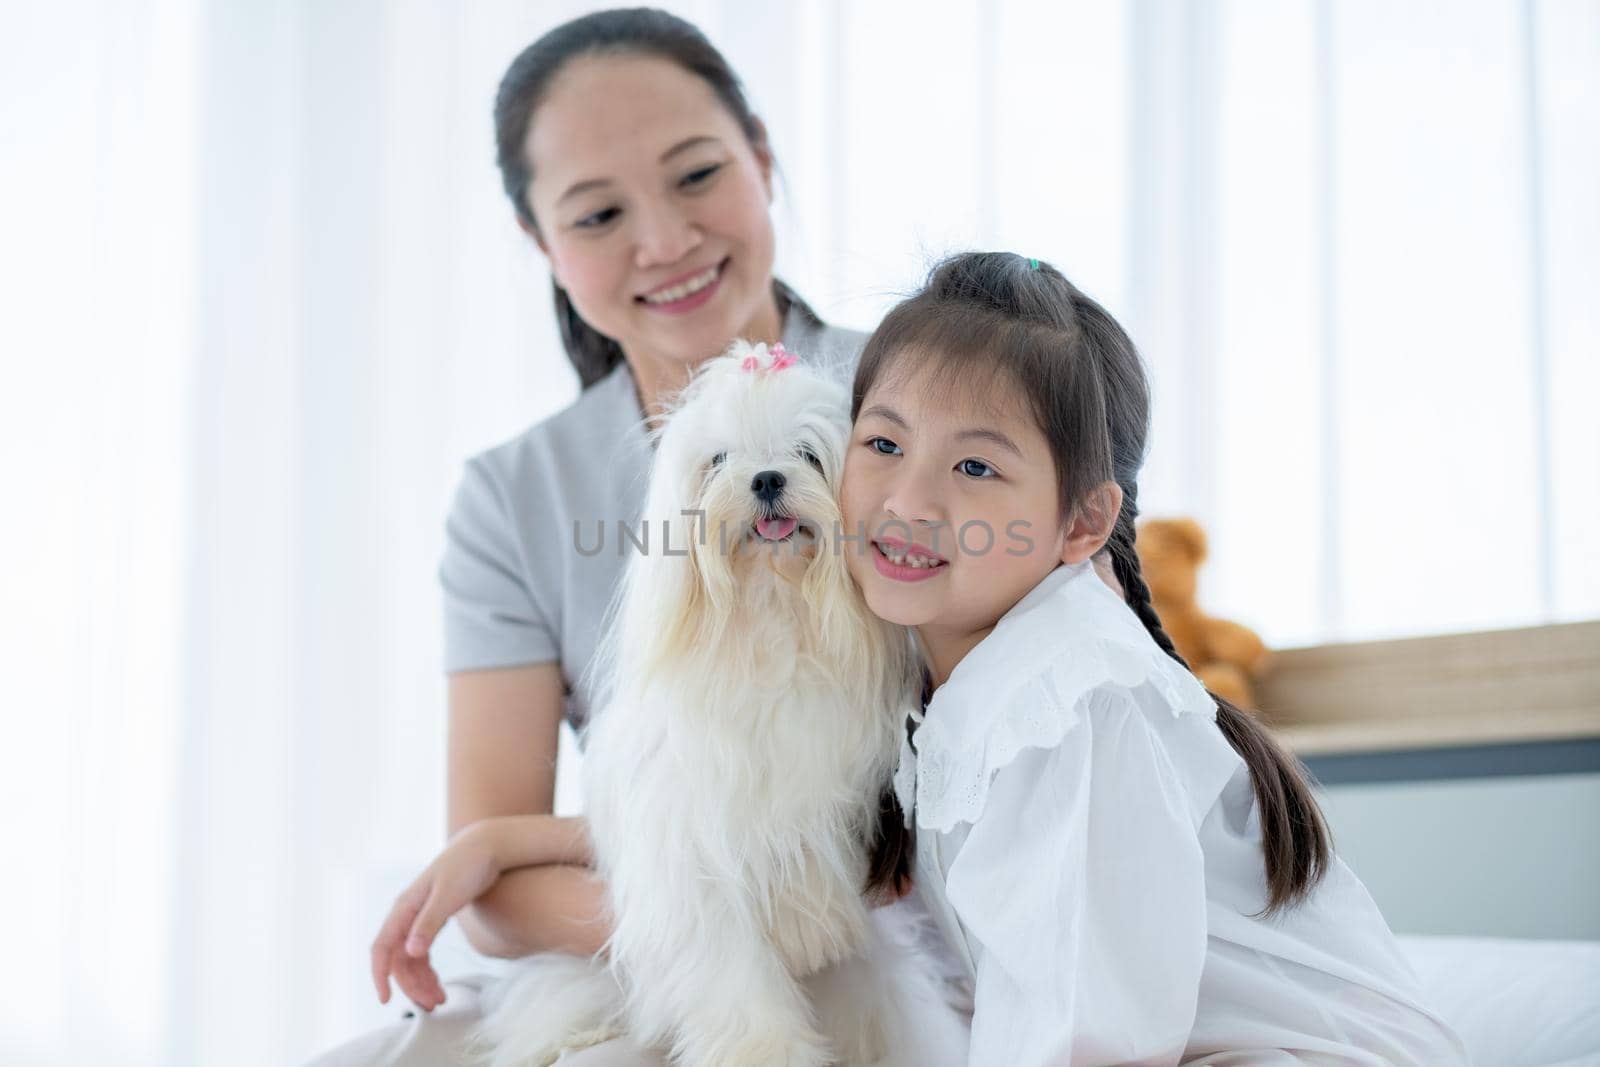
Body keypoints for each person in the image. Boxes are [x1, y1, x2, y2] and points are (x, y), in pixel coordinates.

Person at [304, 9, 870, 1066]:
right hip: (654, 955)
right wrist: (715, 931)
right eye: (600, 212)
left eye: (697, 175)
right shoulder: (511, 496)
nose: (664, 241)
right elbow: (497, 899)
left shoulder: (917, 400)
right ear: (540, 242)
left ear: (761, 155)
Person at [837, 251, 1472, 1065]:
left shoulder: (1067, 698)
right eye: (883, 442)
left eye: (975, 466)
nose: (908, 500)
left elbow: (1084, 1035)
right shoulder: (941, 688)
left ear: (1081, 522)